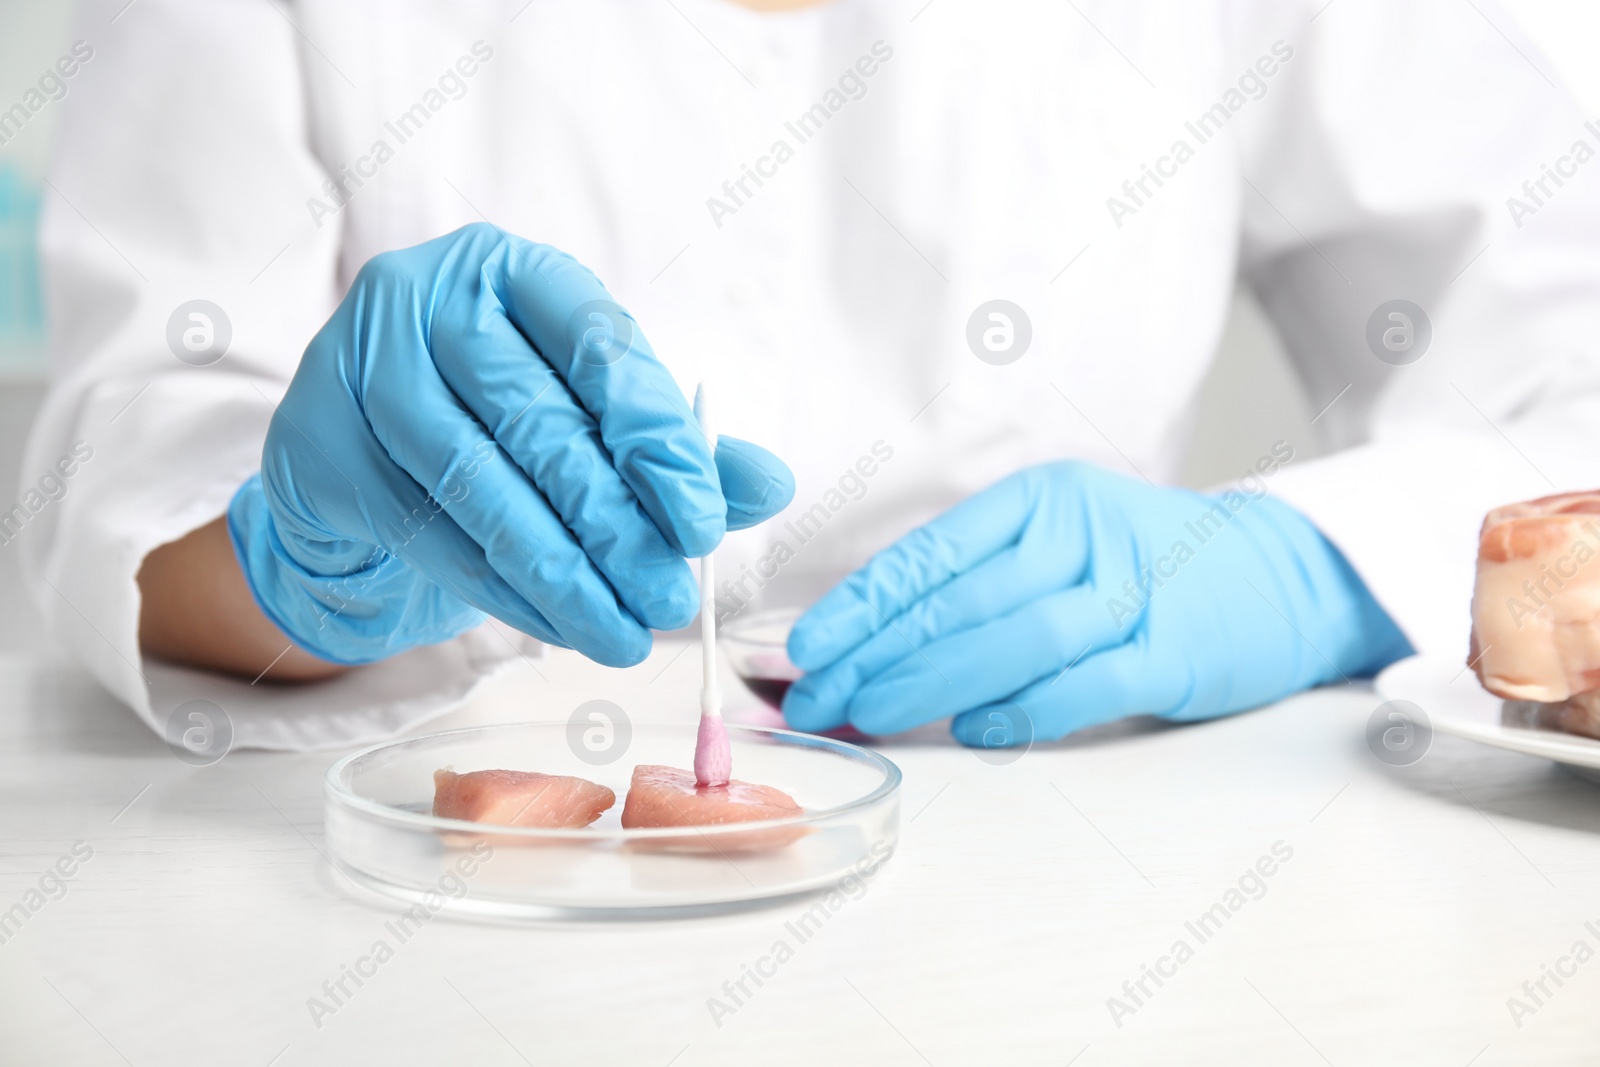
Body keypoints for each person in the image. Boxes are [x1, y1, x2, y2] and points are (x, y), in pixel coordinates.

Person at [19, 0, 1600, 750]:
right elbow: (135, 473)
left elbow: (1569, 344)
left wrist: (1301, 567)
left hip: (1073, 902)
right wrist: (303, 561)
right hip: (408, 890)